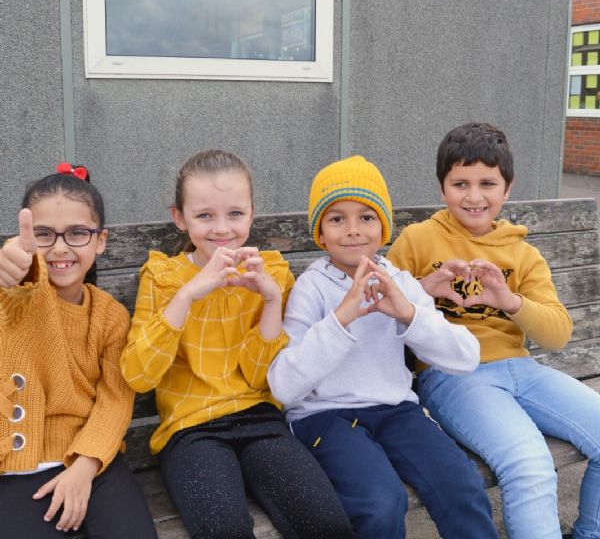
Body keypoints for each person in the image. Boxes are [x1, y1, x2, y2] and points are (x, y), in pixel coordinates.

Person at [120, 149, 352, 539]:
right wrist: (188, 295)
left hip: (261, 419)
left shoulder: (269, 272)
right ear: (180, 217)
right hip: (191, 430)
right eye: (204, 216)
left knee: (327, 524)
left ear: (251, 213)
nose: (222, 228)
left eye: (235, 213)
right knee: (223, 530)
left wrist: (272, 300)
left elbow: (262, 377)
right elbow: (139, 375)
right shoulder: (163, 277)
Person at [267, 155, 499, 539]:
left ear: (384, 227)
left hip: (396, 410)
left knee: (461, 485)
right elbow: (284, 386)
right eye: (337, 219)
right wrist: (341, 320)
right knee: (381, 503)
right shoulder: (311, 287)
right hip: (326, 417)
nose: (353, 230)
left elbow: (465, 357)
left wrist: (409, 314)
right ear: (320, 232)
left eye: (366, 217)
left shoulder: (400, 283)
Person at [387, 122, 600, 539]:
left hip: (524, 371)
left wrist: (510, 301)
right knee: (530, 464)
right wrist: (425, 290)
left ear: (507, 188)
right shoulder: (417, 240)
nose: (474, 196)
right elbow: (383, 315)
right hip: (454, 376)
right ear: (442, 187)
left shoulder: (523, 253)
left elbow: (557, 334)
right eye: (460, 184)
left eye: (487, 183)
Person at [0, 163, 157, 538]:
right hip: (20, 466)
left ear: (100, 240)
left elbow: (116, 398)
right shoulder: (16, 299)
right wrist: (11, 270)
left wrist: (84, 468)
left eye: (77, 233)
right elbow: (18, 294)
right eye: (43, 234)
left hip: (93, 459)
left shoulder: (110, 316)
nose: (59, 247)